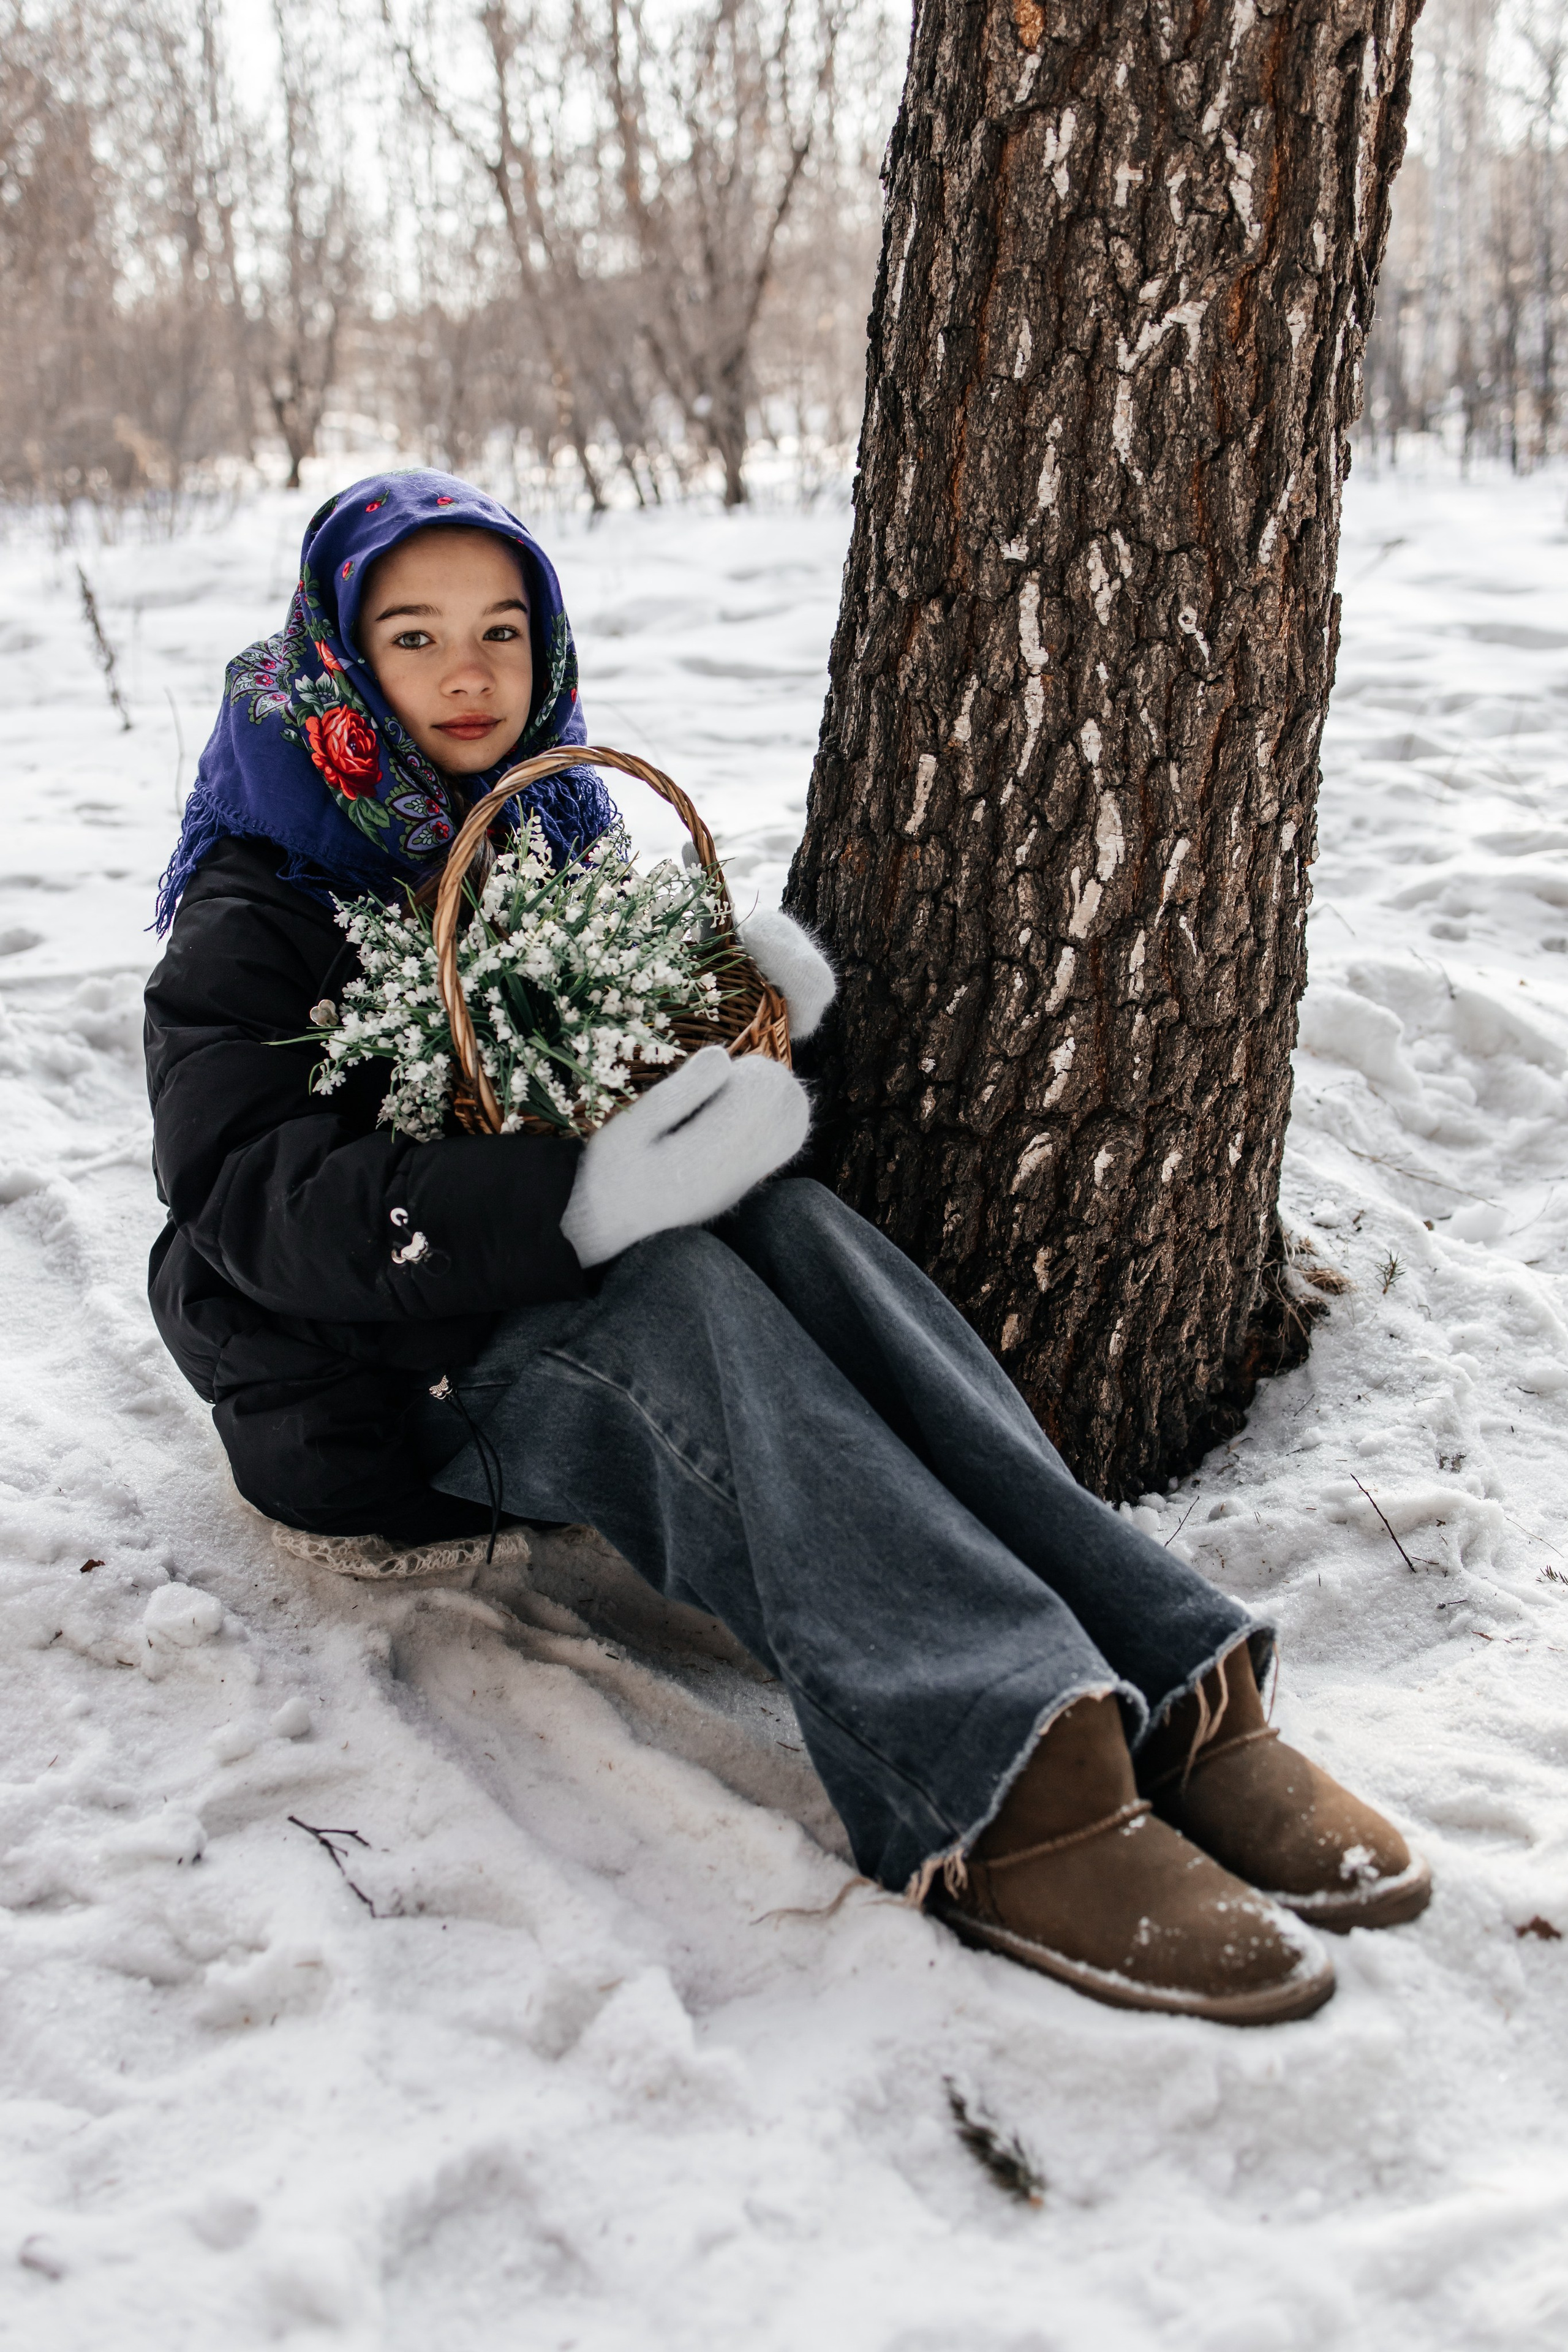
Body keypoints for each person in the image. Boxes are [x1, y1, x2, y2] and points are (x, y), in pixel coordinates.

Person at [145, 469, 1430, 2027]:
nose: (468, 673)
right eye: (415, 637)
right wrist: (578, 1206)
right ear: (342, 657)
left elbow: (624, 1075)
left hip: (527, 1284)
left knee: (789, 1223)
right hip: (368, 1383)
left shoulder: (540, 822)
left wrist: (741, 1034)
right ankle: (1003, 1773)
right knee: (674, 1291)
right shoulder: (259, 895)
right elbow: (249, 1200)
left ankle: (1171, 1686)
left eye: (501, 629)